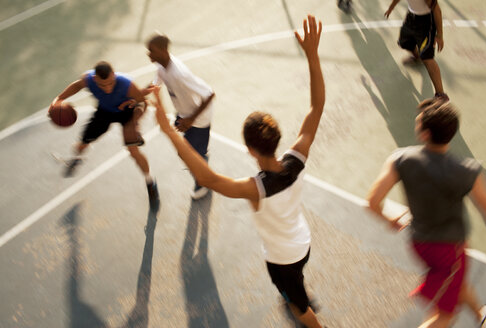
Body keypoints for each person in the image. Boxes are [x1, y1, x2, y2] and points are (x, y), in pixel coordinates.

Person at [152, 15, 326, 328]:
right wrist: (313, 56)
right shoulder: (296, 159)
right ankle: (297, 291)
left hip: (282, 259)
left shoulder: (255, 188)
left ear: (250, 150)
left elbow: (206, 179)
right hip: (302, 243)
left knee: (300, 307)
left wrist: (168, 130)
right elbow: (316, 108)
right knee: (296, 283)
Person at [367, 98, 486, 328]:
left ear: (424, 133)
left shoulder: (399, 159)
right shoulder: (468, 171)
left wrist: (389, 219)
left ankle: (482, 317)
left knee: (454, 282)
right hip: (449, 250)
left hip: (420, 244)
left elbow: (373, 202)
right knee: (445, 316)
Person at [49, 61, 160, 211]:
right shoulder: (88, 80)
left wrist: (134, 123)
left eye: (110, 83)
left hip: (126, 114)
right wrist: (59, 99)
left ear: (114, 75)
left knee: (133, 151)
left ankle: (150, 182)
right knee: (81, 145)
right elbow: (76, 85)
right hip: (104, 113)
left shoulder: (127, 84)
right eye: (103, 85)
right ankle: (77, 159)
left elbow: (143, 104)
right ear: (95, 80)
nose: (107, 88)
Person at [145, 34, 215, 200]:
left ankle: (204, 183)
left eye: (151, 51)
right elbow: (155, 84)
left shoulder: (180, 74)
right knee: (186, 152)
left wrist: (190, 120)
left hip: (198, 120)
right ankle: (202, 156)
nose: (148, 54)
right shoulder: (162, 67)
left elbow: (210, 94)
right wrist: (135, 98)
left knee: (188, 155)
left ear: (162, 51)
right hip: (184, 114)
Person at [384, 0, 449, 100]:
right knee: (404, 43)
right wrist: (391, 8)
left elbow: (437, 11)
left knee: (428, 58)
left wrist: (439, 36)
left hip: (426, 23)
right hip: (411, 17)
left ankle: (441, 95)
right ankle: (418, 57)